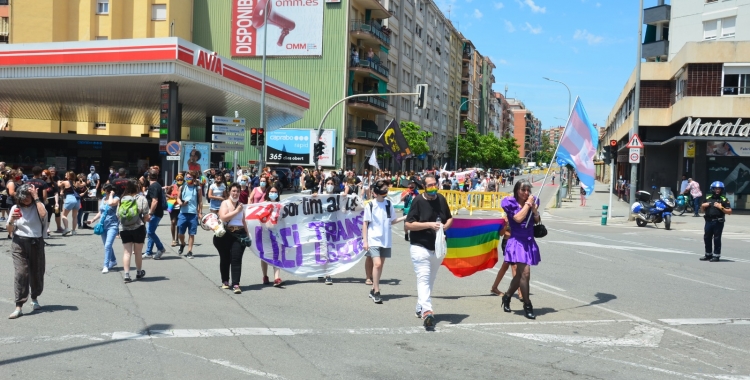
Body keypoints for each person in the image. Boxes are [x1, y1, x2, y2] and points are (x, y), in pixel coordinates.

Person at [405, 174, 453, 328]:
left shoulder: (441, 199)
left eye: (435, 184)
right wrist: (429, 225)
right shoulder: (418, 201)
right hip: (420, 246)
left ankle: (420, 307)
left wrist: (446, 226)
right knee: (424, 278)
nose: (433, 187)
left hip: (437, 248)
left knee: (430, 280)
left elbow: (450, 218)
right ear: (424, 187)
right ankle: (427, 311)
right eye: (430, 185)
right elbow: (408, 225)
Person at [500, 180, 541, 320]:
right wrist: (528, 205)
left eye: (528, 190)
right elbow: (517, 218)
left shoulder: (533, 202)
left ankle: (506, 297)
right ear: (517, 190)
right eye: (523, 190)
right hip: (516, 242)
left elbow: (536, 220)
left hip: (528, 241)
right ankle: (527, 305)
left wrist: (535, 211)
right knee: (526, 273)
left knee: (519, 276)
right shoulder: (509, 203)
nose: (526, 193)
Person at [7, 184, 47, 319]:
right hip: (19, 243)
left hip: (36, 242)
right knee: (21, 273)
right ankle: (19, 306)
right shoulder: (15, 208)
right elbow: (9, 230)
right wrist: (12, 219)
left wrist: (36, 198)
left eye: (28, 197)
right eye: (23, 198)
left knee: (37, 272)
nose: (26, 200)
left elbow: (43, 214)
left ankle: (34, 298)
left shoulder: (37, 206)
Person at [363, 180, 406, 303]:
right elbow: (365, 224)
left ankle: (373, 289)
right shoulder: (370, 205)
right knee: (376, 264)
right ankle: (377, 291)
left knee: (380, 265)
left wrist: (404, 217)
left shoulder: (388, 204)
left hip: (386, 239)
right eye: (383, 188)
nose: (385, 189)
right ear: (377, 190)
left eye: (386, 188)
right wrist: (365, 241)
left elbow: (392, 220)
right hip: (374, 239)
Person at [214, 183, 251, 294]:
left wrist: (247, 235)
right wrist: (236, 211)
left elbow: (243, 221)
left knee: (236, 259)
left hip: (239, 234)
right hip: (226, 233)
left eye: (238, 191)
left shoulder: (241, 205)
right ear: (229, 191)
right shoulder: (225, 203)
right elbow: (223, 217)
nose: (235, 193)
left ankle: (236, 284)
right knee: (225, 258)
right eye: (233, 191)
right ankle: (225, 281)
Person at [118, 180, 150, 283]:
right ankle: (139, 272)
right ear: (138, 188)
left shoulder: (122, 199)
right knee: (138, 252)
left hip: (124, 228)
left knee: (127, 252)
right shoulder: (141, 199)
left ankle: (126, 275)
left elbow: (117, 215)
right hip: (138, 228)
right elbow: (146, 216)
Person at [86, 184, 120, 273]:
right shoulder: (103, 199)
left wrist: (111, 195)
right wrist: (92, 220)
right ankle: (113, 261)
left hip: (112, 225)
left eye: (104, 190)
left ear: (109, 191)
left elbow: (111, 203)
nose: (102, 191)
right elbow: (100, 212)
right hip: (102, 225)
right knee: (106, 245)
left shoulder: (116, 198)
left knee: (108, 245)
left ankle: (106, 265)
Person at [699, 181, 732, 262]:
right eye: (716, 189)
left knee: (717, 238)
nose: (718, 190)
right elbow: (702, 210)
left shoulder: (724, 199)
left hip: (718, 221)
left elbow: (729, 212)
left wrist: (721, 207)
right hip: (708, 220)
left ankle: (716, 255)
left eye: (719, 189)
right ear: (712, 189)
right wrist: (703, 206)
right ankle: (708, 254)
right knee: (707, 237)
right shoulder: (708, 198)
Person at [260, 186, 283, 287]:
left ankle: (276, 277)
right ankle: (265, 276)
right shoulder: (263, 204)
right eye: (271, 191)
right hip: (264, 232)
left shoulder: (281, 205)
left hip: (276, 232)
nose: (273, 193)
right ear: (268, 192)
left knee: (277, 254)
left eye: (275, 191)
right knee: (264, 255)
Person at [176, 172, 203, 259]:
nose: (188, 179)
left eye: (190, 177)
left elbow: (200, 201)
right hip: (183, 213)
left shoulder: (197, 188)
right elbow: (178, 198)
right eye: (187, 177)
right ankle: (183, 243)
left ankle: (189, 251)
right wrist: (181, 203)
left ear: (194, 178)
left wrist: (200, 212)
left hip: (193, 214)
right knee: (180, 232)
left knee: (191, 233)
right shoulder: (182, 187)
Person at [145, 171, 167, 260]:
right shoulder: (157, 185)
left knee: (150, 232)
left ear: (149, 177)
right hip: (157, 212)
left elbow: (155, 200)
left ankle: (161, 248)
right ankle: (148, 252)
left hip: (155, 213)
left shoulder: (153, 186)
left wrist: (150, 213)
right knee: (150, 231)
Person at [59, 171, 79, 236]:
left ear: (68, 176)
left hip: (70, 198)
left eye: (66, 175)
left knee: (64, 215)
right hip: (77, 199)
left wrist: (59, 181)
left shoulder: (65, 182)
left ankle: (66, 228)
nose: (65, 175)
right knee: (75, 216)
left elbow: (59, 184)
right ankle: (73, 230)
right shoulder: (76, 182)